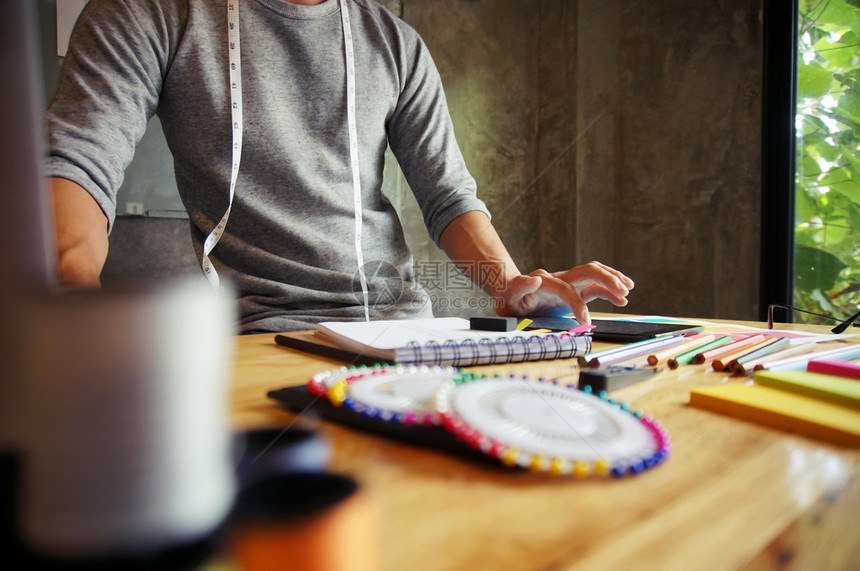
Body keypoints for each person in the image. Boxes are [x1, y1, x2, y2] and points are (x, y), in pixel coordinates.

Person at [47, 0, 633, 333]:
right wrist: (70, 295)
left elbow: (449, 196)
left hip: (405, 333)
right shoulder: (149, 14)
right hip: (268, 334)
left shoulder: (397, 45)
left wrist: (509, 288)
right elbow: (78, 159)